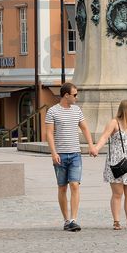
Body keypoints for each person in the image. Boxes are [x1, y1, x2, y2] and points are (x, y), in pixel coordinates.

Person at [45, 82, 97, 232]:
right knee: (62, 187)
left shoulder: (77, 110)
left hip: (75, 154)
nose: (76, 97)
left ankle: (74, 219)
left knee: (75, 185)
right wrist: (53, 153)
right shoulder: (52, 111)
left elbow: (85, 128)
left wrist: (91, 146)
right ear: (66, 95)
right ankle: (66, 220)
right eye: (74, 94)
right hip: (60, 154)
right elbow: (49, 133)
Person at [94, 100, 127, 230]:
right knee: (117, 193)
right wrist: (96, 149)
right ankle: (116, 221)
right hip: (116, 161)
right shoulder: (114, 122)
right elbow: (104, 137)